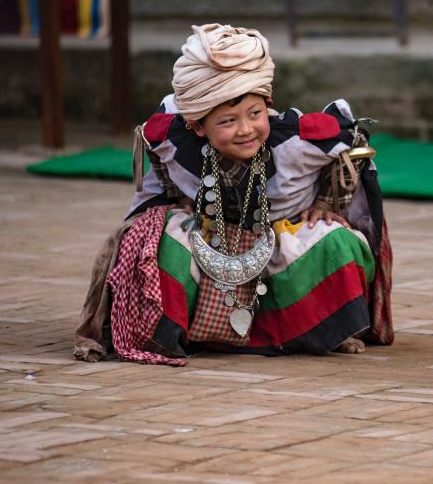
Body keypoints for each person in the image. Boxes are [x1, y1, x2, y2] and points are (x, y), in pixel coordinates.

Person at [74, 23, 393, 365]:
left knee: (338, 243)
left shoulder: (297, 139)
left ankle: (321, 329)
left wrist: (327, 203)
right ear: (197, 125)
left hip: (284, 241)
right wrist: (171, 196)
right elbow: (153, 145)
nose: (245, 130)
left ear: (267, 104)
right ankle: (172, 331)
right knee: (153, 236)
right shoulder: (172, 138)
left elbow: (355, 141)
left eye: (255, 114)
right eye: (227, 121)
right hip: (209, 236)